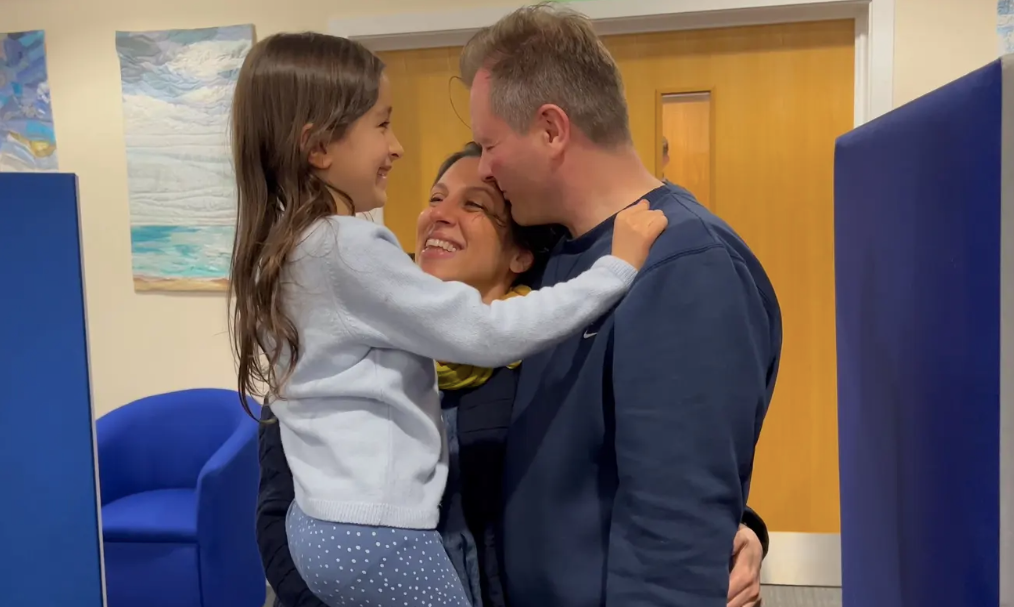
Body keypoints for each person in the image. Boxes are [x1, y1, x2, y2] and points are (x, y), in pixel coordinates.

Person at [228, 32, 667, 607]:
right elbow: (487, 332)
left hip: (326, 531)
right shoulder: (349, 250)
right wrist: (615, 269)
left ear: (520, 256)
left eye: (476, 205)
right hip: (374, 534)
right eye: (382, 125)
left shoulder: (294, 252)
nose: (397, 147)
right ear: (318, 149)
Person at [255, 142, 770, 607]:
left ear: (521, 254)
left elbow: (630, 476)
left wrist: (739, 531)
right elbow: (278, 522)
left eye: (474, 205)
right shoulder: (334, 345)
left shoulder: (549, 359)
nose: (440, 216)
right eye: (435, 198)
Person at [460, 5, 781, 607]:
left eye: (489, 144)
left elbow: (673, 534)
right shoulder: (565, 254)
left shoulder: (686, 269)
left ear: (552, 129)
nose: (484, 167)